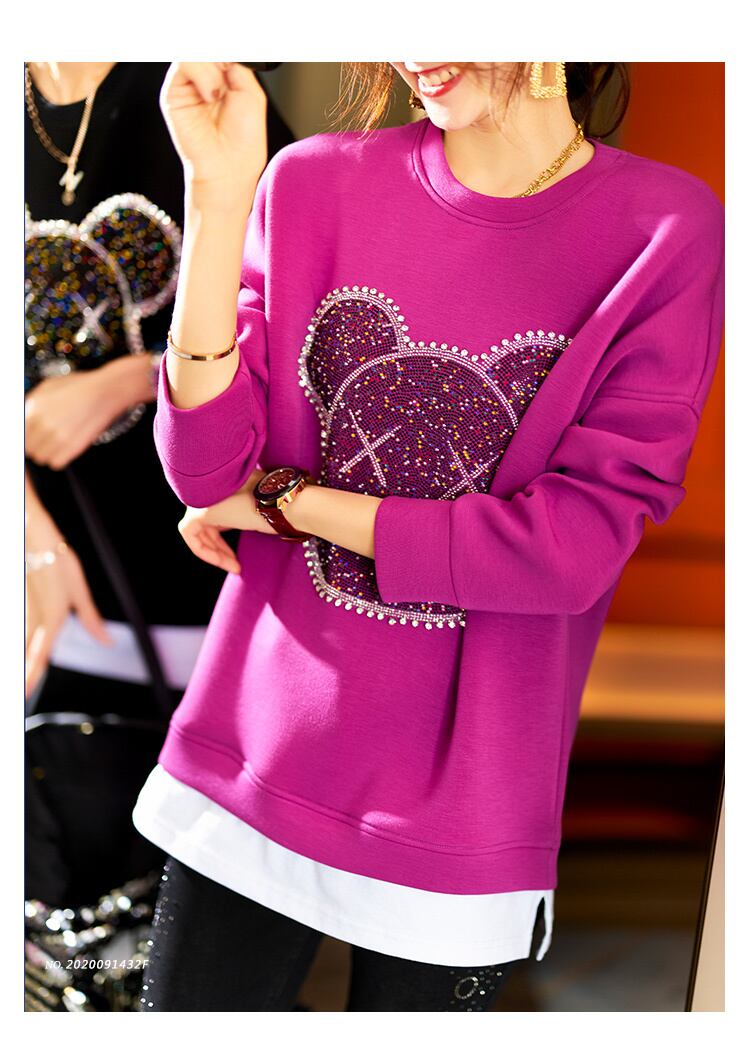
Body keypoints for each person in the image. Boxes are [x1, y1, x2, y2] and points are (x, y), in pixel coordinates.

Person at [131, 61, 724, 1011]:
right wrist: (216, 192)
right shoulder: (311, 180)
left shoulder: (664, 229)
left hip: (467, 804)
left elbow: (566, 551)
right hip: (253, 752)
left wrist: (288, 501)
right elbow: (205, 470)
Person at [24, 61, 294, 904]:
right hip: (50, 604)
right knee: (62, 922)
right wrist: (26, 534)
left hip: (207, 583)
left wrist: (133, 378)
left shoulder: (198, 93)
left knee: (192, 920)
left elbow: (293, 325)